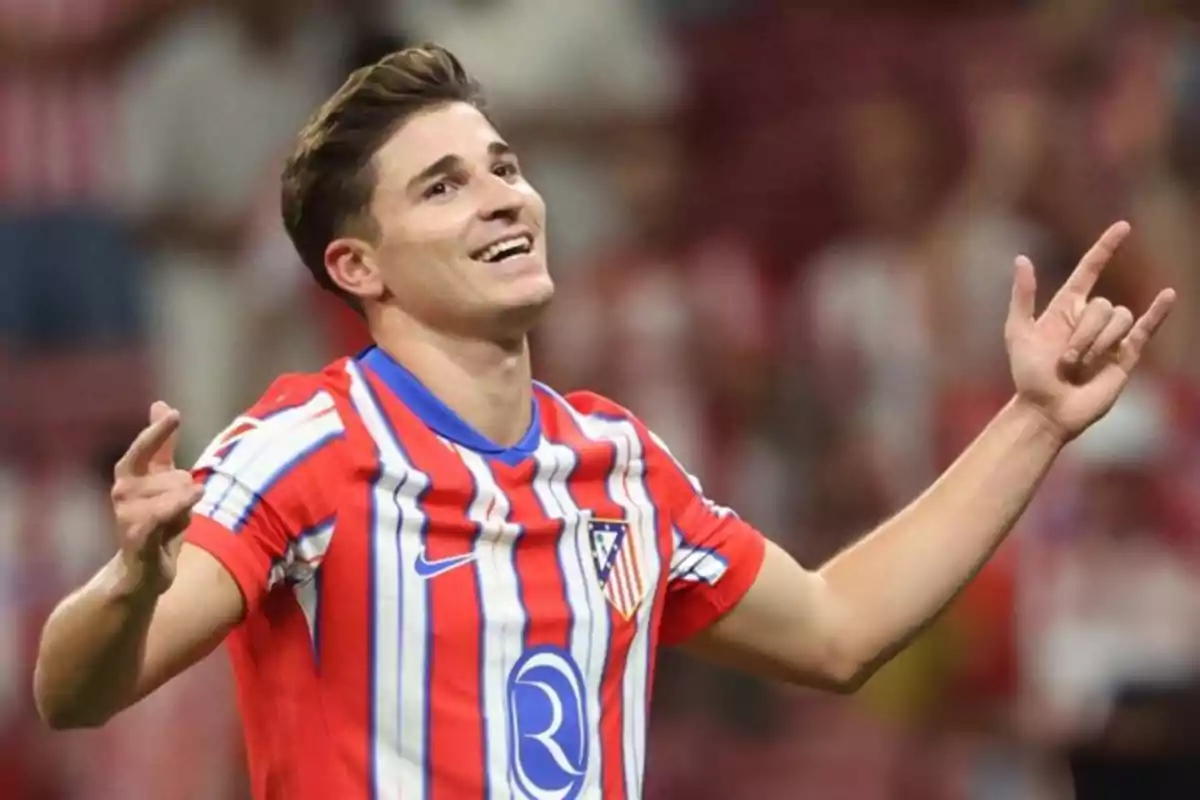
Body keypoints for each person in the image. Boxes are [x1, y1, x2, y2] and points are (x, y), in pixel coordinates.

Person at [31, 45, 1176, 800]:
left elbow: (836, 627)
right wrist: (128, 579)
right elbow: (71, 690)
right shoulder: (304, 444)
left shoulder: (618, 464)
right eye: (442, 186)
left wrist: (1034, 420)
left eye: (503, 167)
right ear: (356, 264)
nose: (502, 197)